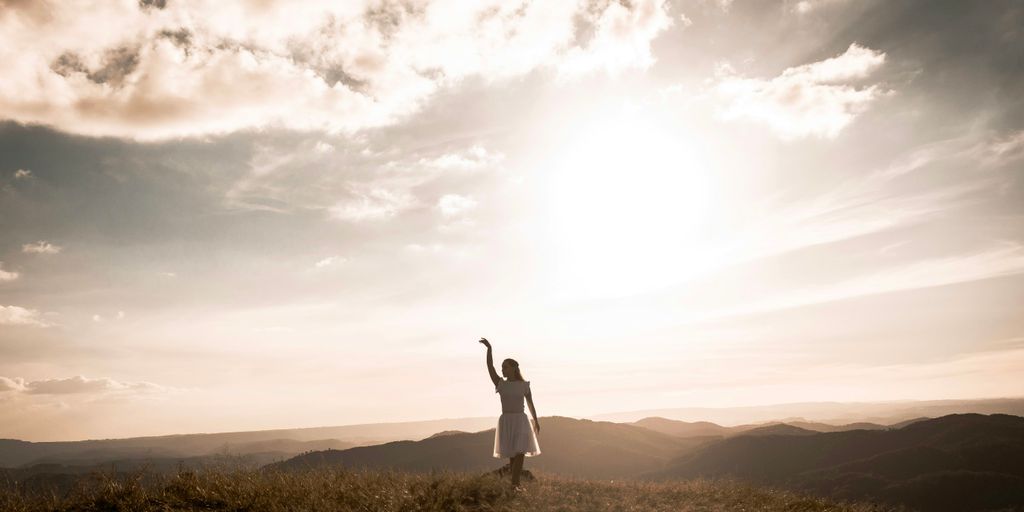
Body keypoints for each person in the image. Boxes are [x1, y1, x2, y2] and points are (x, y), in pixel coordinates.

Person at [478, 337, 540, 489]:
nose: (502, 369)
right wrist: (489, 349)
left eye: (505, 367)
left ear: (513, 368)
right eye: (502, 367)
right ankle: (514, 485)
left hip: (520, 421)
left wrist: (536, 421)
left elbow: (530, 404)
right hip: (506, 421)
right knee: (513, 455)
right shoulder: (501, 384)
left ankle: (515, 484)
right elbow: (490, 367)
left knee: (519, 453)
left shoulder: (524, 385)